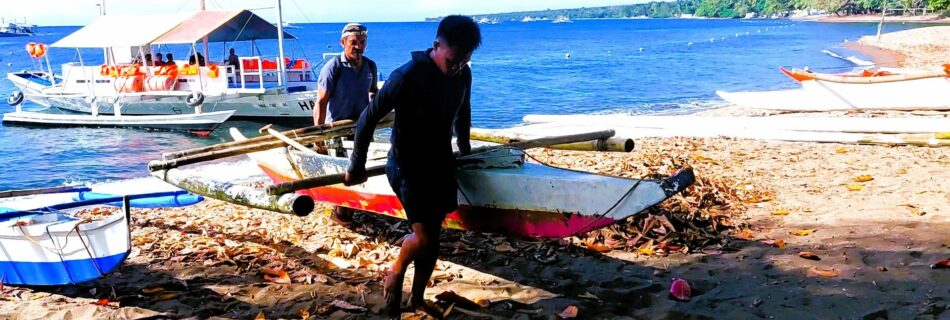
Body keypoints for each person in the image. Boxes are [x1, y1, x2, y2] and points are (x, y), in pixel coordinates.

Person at [345, 15, 480, 317]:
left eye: (465, 60)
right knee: (424, 237)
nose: (457, 66)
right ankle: (396, 270)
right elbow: (368, 118)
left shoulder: (463, 74)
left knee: (433, 241)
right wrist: (357, 165)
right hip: (407, 166)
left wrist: (466, 149)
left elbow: (463, 112)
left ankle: (416, 299)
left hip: (441, 163)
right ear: (436, 46)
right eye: (453, 59)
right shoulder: (407, 76)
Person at [314, 22, 378, 227]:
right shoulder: (333, 67)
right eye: (353, 42)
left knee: (362, 166)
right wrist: (319, 136)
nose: (358, 46)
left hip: (362, 127)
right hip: (337, 129)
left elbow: (374, 92)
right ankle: (341, 213)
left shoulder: (370, 65)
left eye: (362, 42)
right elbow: (321, 102)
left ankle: (356, 206)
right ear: (343, 43)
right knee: (343, 169)